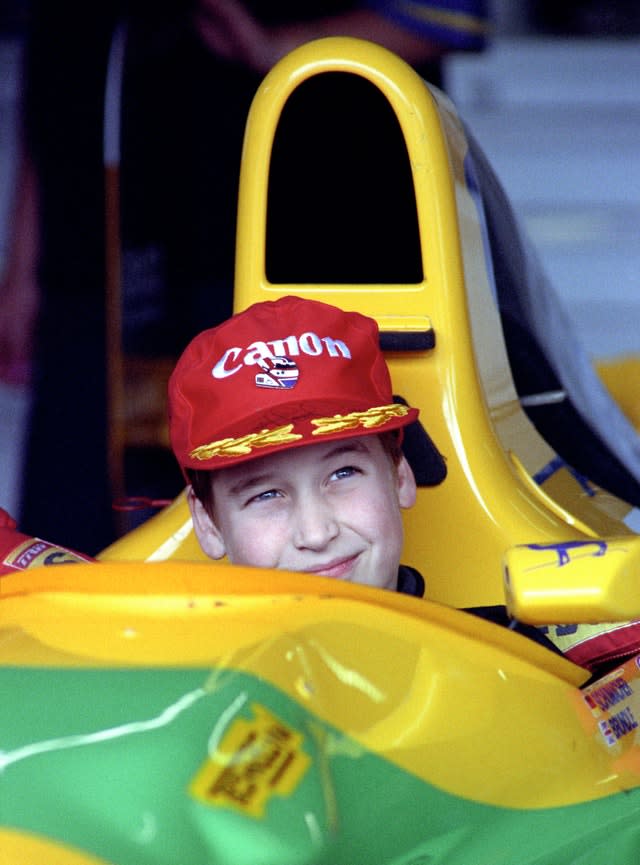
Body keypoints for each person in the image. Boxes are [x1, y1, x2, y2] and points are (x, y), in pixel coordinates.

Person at [168, 294, 425, 595]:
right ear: (207, 524)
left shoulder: (486, 639)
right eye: (266, 495)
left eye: (343, 473)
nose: (316, 535)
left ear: (401, 475)